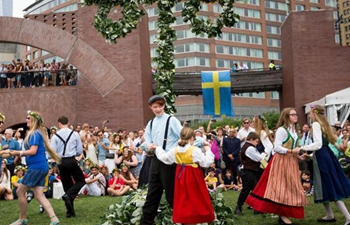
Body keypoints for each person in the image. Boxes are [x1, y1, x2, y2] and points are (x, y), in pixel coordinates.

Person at [246, 107, 307, 225]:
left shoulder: (294, 130)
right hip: (281, 161)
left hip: (291, 161)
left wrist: (298, 156)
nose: (296, 116)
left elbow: (291, 148)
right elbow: (277, 147)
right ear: (286, 117)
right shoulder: (281, 130)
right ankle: (283, 216)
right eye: (292, 114)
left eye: (295, 114)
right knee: (282, 188)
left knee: (291, 187)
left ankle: (283, 215)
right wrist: (291, 151)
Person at [4, 111, 60, 225]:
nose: (26, 120)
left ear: (34, 120)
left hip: (36, 167)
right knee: (39, 194)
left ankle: (22, 219)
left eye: (29, 118)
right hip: (41, 167)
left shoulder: (34, 134)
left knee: (20, 191)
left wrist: (18, 153)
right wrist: (12, 152)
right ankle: (54, 219)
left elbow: (33, 151)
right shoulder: (37, 133)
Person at [300, 105, 350, 224]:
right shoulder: (325, 125)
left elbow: (318, 144)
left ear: (315, 113)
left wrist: (302, 147)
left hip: (322, 159)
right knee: (324, 185)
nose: (309, 115)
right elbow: (324, 145)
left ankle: (348, 217)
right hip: (326, 156)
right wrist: (310, 155)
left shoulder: (316, 125)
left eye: (310, 113)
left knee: (328, 185)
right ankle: (329, 214)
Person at [155, 127, 215, 224]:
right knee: (196, 196)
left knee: (183, 197)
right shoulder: (194, 150)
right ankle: (198, 216)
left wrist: (158, 148)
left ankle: (184, 218)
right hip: (193, 176)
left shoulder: (175, 150)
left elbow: (164, 158)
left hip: (181, 176)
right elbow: (206, 163)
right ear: (191, 137)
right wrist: (208, 150)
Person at [140, 95, 182, 225]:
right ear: (150, 108)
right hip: (155, 161)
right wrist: (148, 146)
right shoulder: (151, 123)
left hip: (169, 161)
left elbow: (183, 137)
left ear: (164, 106)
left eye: (160, 106)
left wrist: (175, 149)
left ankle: (183, 220)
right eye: (154, 107)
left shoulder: (172, 120)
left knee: (171, 195)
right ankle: (146, 222)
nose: (157, 109)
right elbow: (145, 141)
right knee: (152, 193)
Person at [51, 116, 86, 218]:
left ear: (59, 123)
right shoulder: (75, 134)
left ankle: (70, 212)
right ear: (68, 122)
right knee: (81, 180)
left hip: (61, 161)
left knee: (67, 185)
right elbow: (79, 150)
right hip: (71, 160)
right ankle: (69, 199)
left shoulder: (55, 136)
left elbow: (53, 152)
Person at [234, 132, 266, 215]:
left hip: (250, 171)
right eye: (256, 141)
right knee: (246, 190)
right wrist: (264, 154)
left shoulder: (249, 147)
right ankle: (238, 207)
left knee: (255, 189)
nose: (257, 144)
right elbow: (258, 158)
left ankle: (255, 207)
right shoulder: (249, 148)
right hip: (248, 171)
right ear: (251, 139)